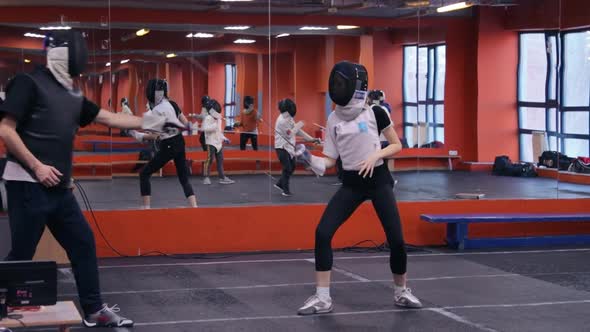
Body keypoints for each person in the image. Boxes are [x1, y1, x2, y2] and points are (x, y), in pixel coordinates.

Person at [0, 30, 168, 327]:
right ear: (58, 53)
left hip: (60, 190)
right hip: (27, 184)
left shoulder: (73, 94)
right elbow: (6, 129)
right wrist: (37, 167)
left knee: (83, 243)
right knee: (22, 254)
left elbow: (111, 117)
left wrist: (156, 121)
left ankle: (94, 309)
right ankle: (3, 312)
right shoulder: (28, 83)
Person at [296, 61, 422, 315]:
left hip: (378, 180)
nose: (337, 87)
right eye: (336, 84)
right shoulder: (333, 119)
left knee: (396, 239)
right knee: (323, 233)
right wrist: (308, 159)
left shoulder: (376, 113)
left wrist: (376, 156)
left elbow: (396, 145)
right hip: (352, 183)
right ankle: (322, 299)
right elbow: (330, 161)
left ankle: (401, 292)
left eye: (342, 84)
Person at [139, 78, 197, 209]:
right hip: (179, 142)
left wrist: (141, 136)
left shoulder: (156, 111)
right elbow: (185, 123)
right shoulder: (173, 104)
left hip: (169, 145)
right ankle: (194, 207)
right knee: (184, 178)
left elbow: (156, 134)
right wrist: (188, 127)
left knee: (144, 174)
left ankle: (146, 209)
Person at [274, 98, 319, 196]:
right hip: (281, 147)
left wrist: (311, 139)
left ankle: (280, 184)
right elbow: (290, 134)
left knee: (293, 166)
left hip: (289, 147)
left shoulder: (289, 118)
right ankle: (285, 190)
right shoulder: (281, 121)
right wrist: (299, 124)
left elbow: (298, 131)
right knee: (287, 167)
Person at [202, 99, 234, 185]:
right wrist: (215, 125)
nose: (218, 114)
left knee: (220, 160)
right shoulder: (208, 118)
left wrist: (224, 138)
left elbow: (219, 132)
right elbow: (205, 129)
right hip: (210, 142)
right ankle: (206, 177)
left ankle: (222, 177)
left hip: (218, 143)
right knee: (210, 159)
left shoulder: (219, 119)